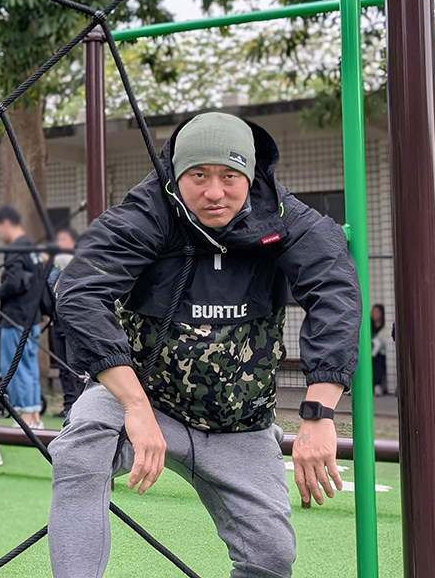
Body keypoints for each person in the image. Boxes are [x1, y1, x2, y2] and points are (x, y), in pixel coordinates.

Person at [48, 112, 361, 578]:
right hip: (150, 406)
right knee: (80, 445)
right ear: (177, 175)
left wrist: (318, 413)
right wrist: (133, 403)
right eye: (198, 175)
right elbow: (77, 291)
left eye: (229, 176)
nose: (215, 192)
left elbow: (335, 290)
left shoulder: (284, 216)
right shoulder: (148, 210)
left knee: (272, 559)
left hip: (241, 424)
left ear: (250, 175)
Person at [0, 206, 44, 430]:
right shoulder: (33, 248)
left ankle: (24, 419)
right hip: (33, 318)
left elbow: (12, 282)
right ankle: (35, 416)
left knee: (14, 366)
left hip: (15, 318)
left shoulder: (15, 248)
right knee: (30, 367)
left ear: (4, 223)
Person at [44, 227, 84, 417]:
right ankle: (68, 404)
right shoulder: (54, 265)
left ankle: (78, 405)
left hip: (74, 321)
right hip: (56, 320)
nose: (59, 242)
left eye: (64, 238)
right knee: (62, 365)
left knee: (74, 364)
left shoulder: (79, 260)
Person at [370, 304, 387, 396]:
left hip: (381, 353)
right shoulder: (369, 325)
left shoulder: (385, 326)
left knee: (377, 361)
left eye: (377, 311)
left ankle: (377, 386)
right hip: (370, 352)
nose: (374, 314)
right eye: (373, 311)